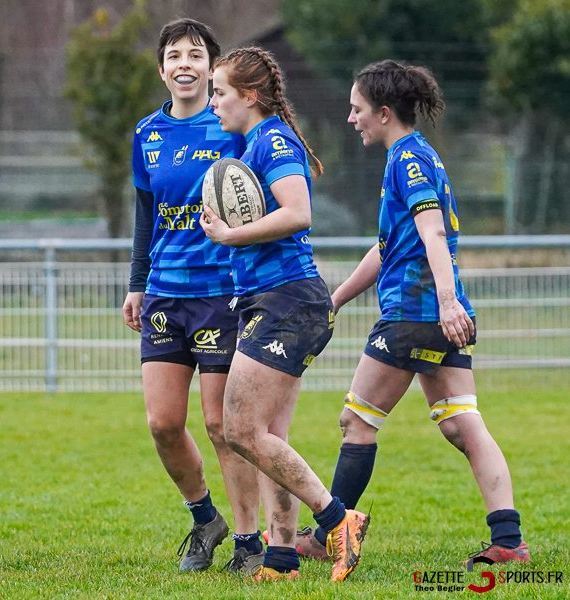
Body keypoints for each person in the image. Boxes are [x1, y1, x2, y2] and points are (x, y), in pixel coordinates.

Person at [293, 59, 529, 566]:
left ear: (383, 113)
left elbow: (432, 232)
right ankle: (508, 542)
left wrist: (444, 302)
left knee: (356, 422)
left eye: (357, 110)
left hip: (414, 314)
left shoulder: (409, 161)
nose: (351, 118)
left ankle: (328, 534)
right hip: (437, 313)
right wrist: (335, 299)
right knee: (461, 424)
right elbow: (388, 249)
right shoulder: (415, 156)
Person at [199, 46, 370, 582]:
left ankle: (340, 519)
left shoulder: (271, 140)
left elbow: (298, 213)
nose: (214, 103)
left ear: (249, 96)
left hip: (288, 301)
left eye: (220, 92)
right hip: (274, 300)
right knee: (269, 433)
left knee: (241, 429)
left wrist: (230, 234)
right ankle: (280, 556)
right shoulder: (252, 142)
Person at [122, 19, 265, 573]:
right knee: (162, 423)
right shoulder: (146, 135)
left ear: (212, 66)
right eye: (174, 55)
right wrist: (137, 283)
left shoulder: (232, 125)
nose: (185, 63)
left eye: (196, 54)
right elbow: (145, 215)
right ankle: (206, 518)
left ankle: (250, 544)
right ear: (161, 69)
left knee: (221, 425)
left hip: (220, 294)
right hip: (163, 295)